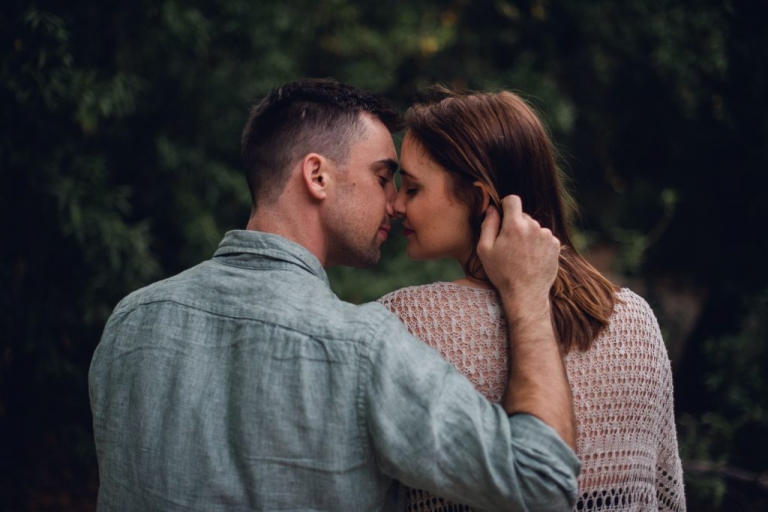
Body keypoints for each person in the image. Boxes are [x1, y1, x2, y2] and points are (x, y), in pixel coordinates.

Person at [88, 79, 580, 511]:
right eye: (383, 178)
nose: (394, 203)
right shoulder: (361, 348)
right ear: (317, 176)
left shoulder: (130, 322)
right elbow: (543, 482)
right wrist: (527, 294)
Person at [379, 88, 687, 512]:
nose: (396, 204)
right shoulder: (635, 319)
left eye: (412, 188)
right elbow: (664, 497)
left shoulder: (407, 323)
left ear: (480, 199)